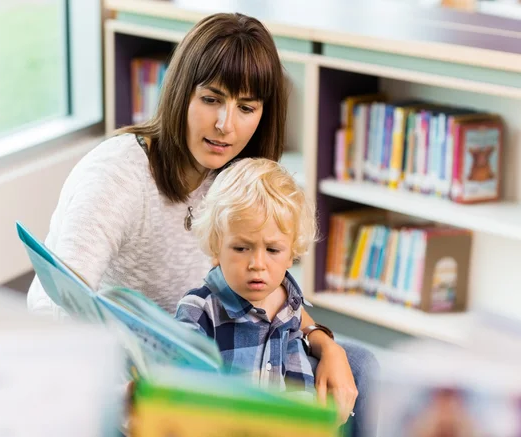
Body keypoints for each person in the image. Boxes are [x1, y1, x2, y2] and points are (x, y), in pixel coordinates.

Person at [26, 11, 377, 434]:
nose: (225, 125)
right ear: (180, 94)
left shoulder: (238, 178)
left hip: (213, 352)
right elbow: (56, 303)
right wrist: (113, 392)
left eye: (245, 107)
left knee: (361, 368)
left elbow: (267, 289)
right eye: (211, 99)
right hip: (126, 370)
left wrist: (324, 340)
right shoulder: (117, 173)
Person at [175, 158, 318, 399]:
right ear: (216, 248)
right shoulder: (199, 309)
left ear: (291, 255)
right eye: (241, 248)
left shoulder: (289, 305)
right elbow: (182, 379)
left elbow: (297, 368)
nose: (257, 265)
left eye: (273, 250)